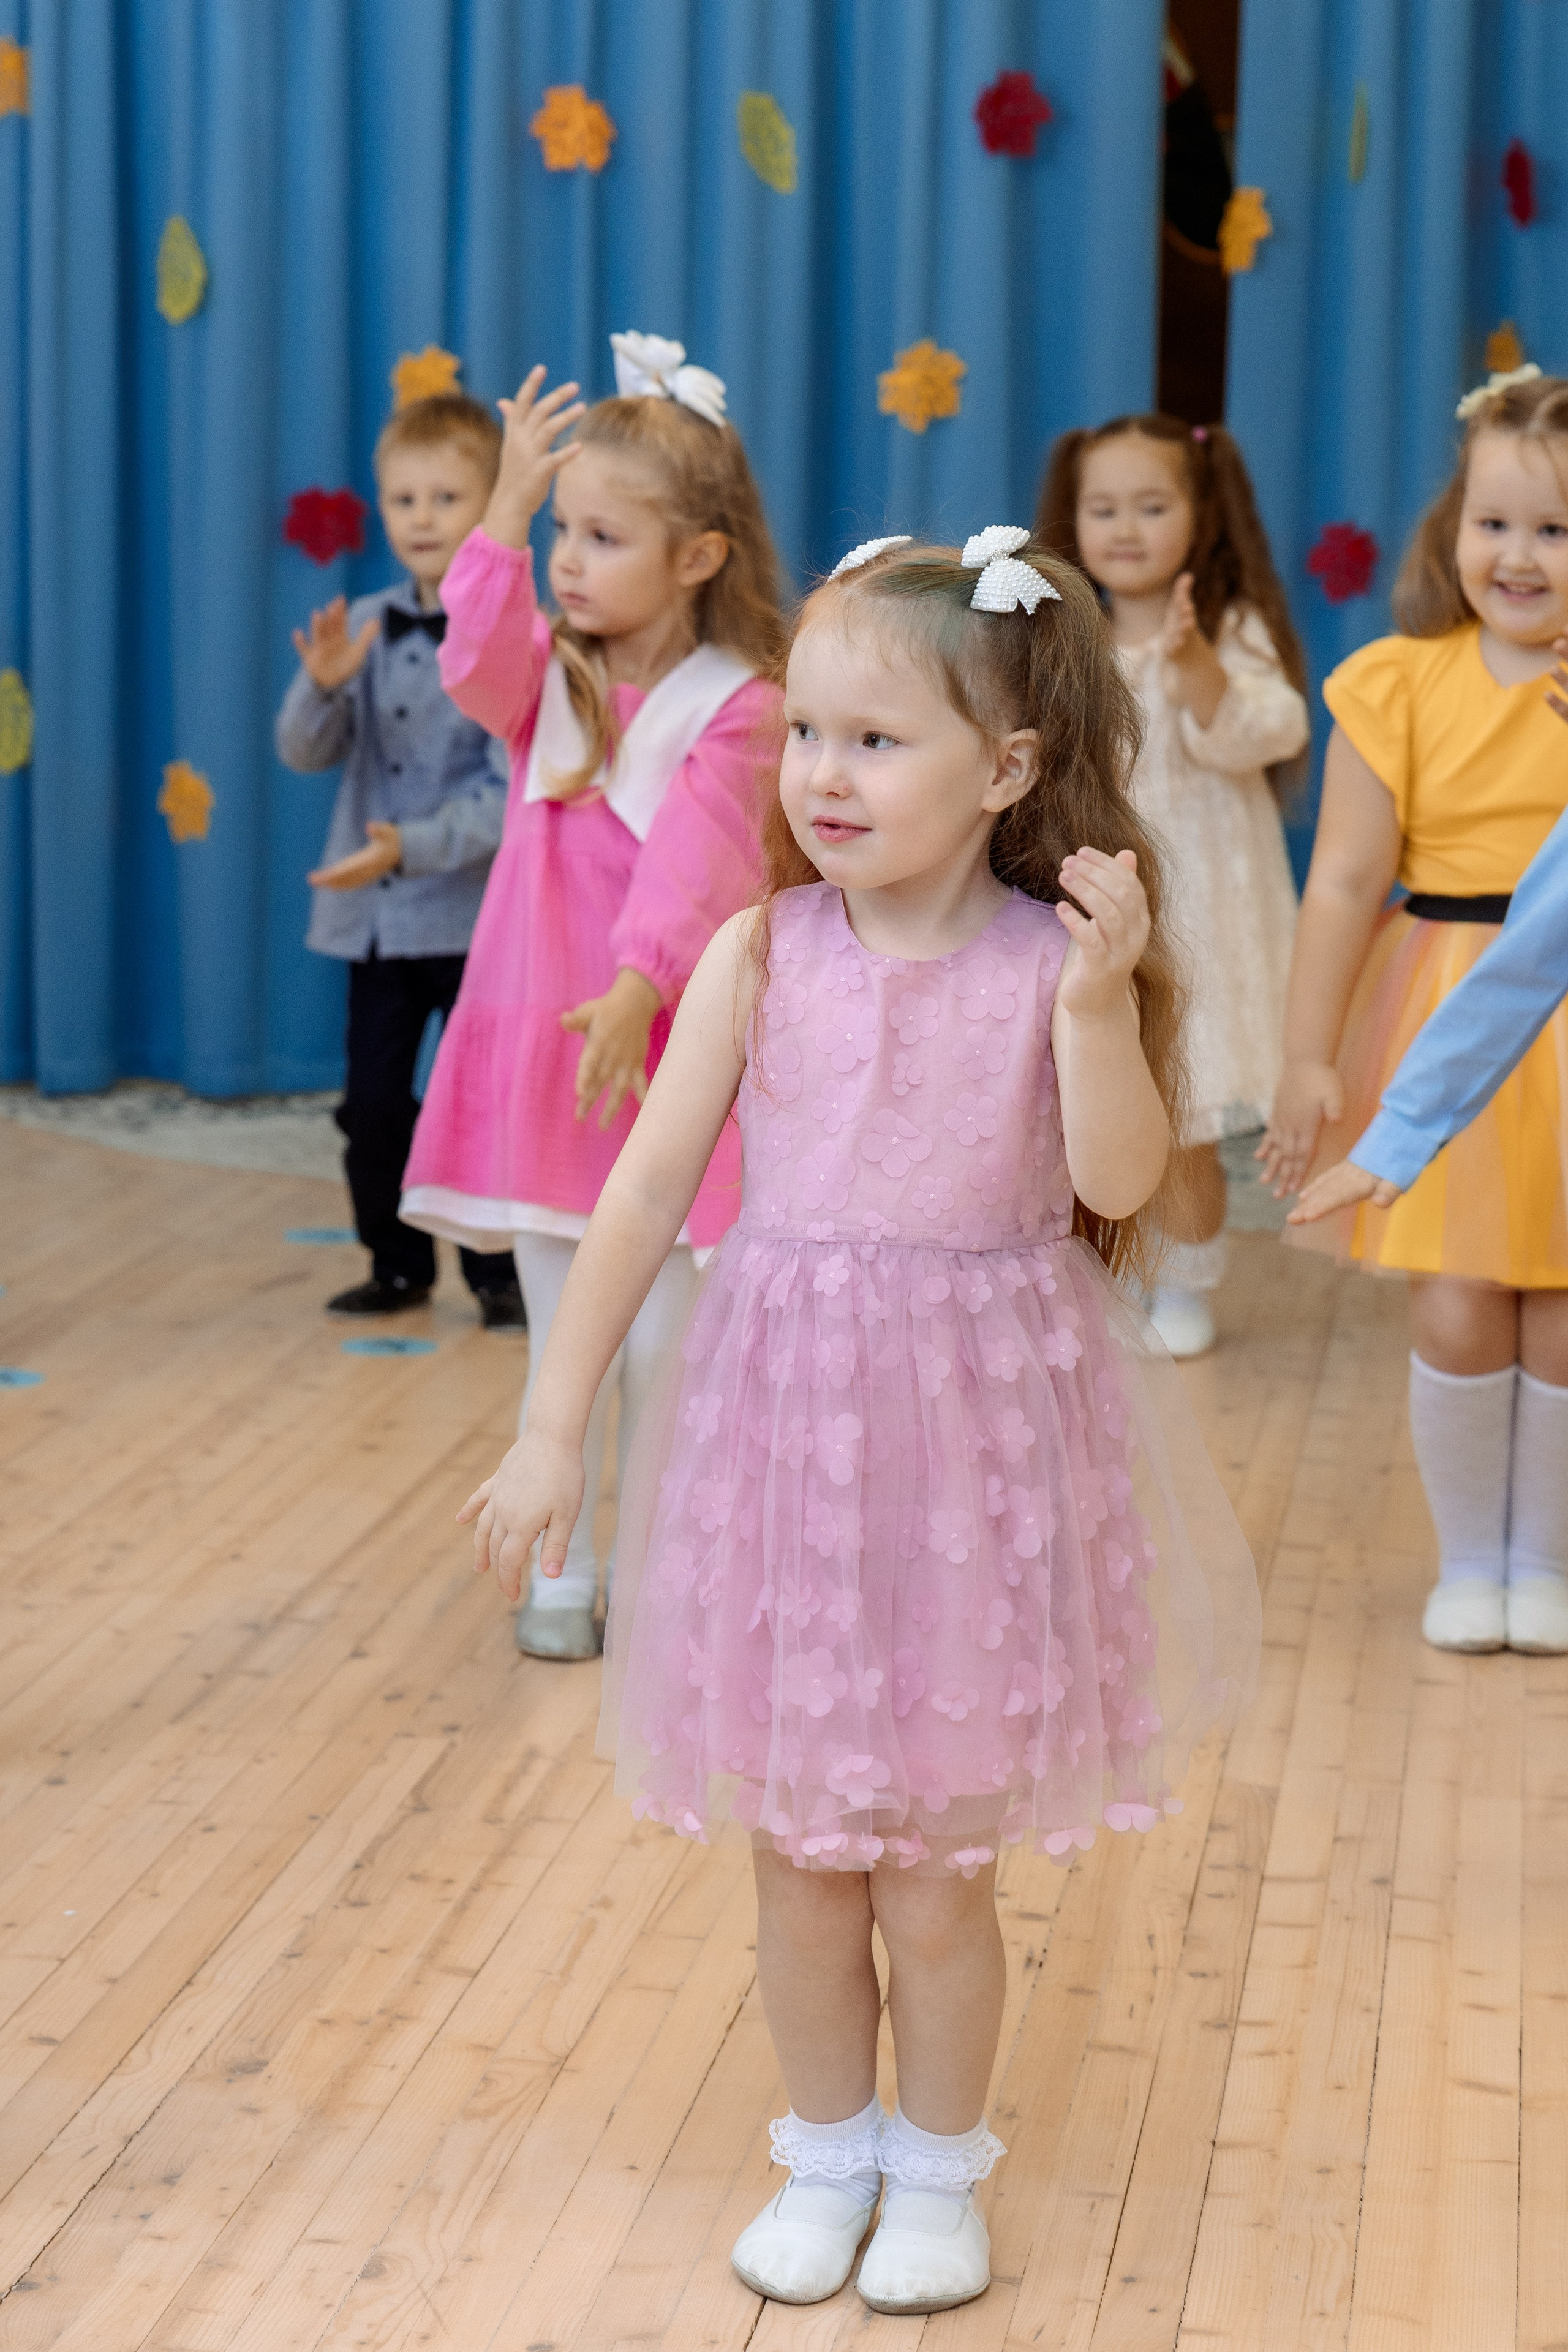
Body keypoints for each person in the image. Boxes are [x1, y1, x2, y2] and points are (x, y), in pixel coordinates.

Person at [458, 529, 1258, 2316]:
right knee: (807, 1864)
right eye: (809, 732)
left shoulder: (1052, 959)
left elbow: (1119, 1183)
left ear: (1011, 771)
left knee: (934, 1878)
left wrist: (1094, 1004)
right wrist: (550, 1423)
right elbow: (650, 1188)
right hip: (787, 1460)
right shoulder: (762, 953)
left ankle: (939, 2174)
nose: (824, 772)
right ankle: (827, 2154)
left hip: (976, 1470)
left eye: (878, 741)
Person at [401, 334, 785, 1661]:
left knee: (669, 1342)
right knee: (563, 1331)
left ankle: (663, 1577)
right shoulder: (544, 681)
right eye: (564, 531)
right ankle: (556, 1570)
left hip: (660, 1048)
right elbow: (474, 657)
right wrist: (503, 510)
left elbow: (705, 862)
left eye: (601, 537)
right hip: (542, 1043)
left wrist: (639, 987)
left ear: (696, 557)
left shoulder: (740, 707)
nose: (570, 560)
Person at [1261, 369, 1568, 1657]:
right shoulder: (1391, 684)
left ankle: (1540, 1563)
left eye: (1553, 528)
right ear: (1451, 525)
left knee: (1558, 1308)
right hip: (1439, 993)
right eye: (1492, 521)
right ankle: (1470, 1557)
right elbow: (1338, 879)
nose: (1516, 554)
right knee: (1455, 1293)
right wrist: (1306, 1054)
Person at [1036, 414, 1308, 1357]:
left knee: (1186, 1115)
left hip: (1207, 919)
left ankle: (1186, 1287)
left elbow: (1270, 730)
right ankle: (1110, 1282)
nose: (1125, 527)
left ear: (1201, 513)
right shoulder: (1066, 637)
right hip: (1100, 909)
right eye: (1103, 508)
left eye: (1151, 506)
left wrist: (1196, 668)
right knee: (1093, 1099)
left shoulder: (1228, 628)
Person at [276, 391, 522, 1327]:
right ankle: (395, 1261)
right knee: (374, 1107)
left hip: (475, 919)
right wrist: (320, 683)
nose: (422, 518)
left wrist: (411, 845)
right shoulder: (367, 623)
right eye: (404, 499)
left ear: (496, 501)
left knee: (484, 1104)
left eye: (447, 497)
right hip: (376, 924)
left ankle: (497, 1275)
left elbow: (510, 792)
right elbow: (304, 751)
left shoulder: (513, 630)